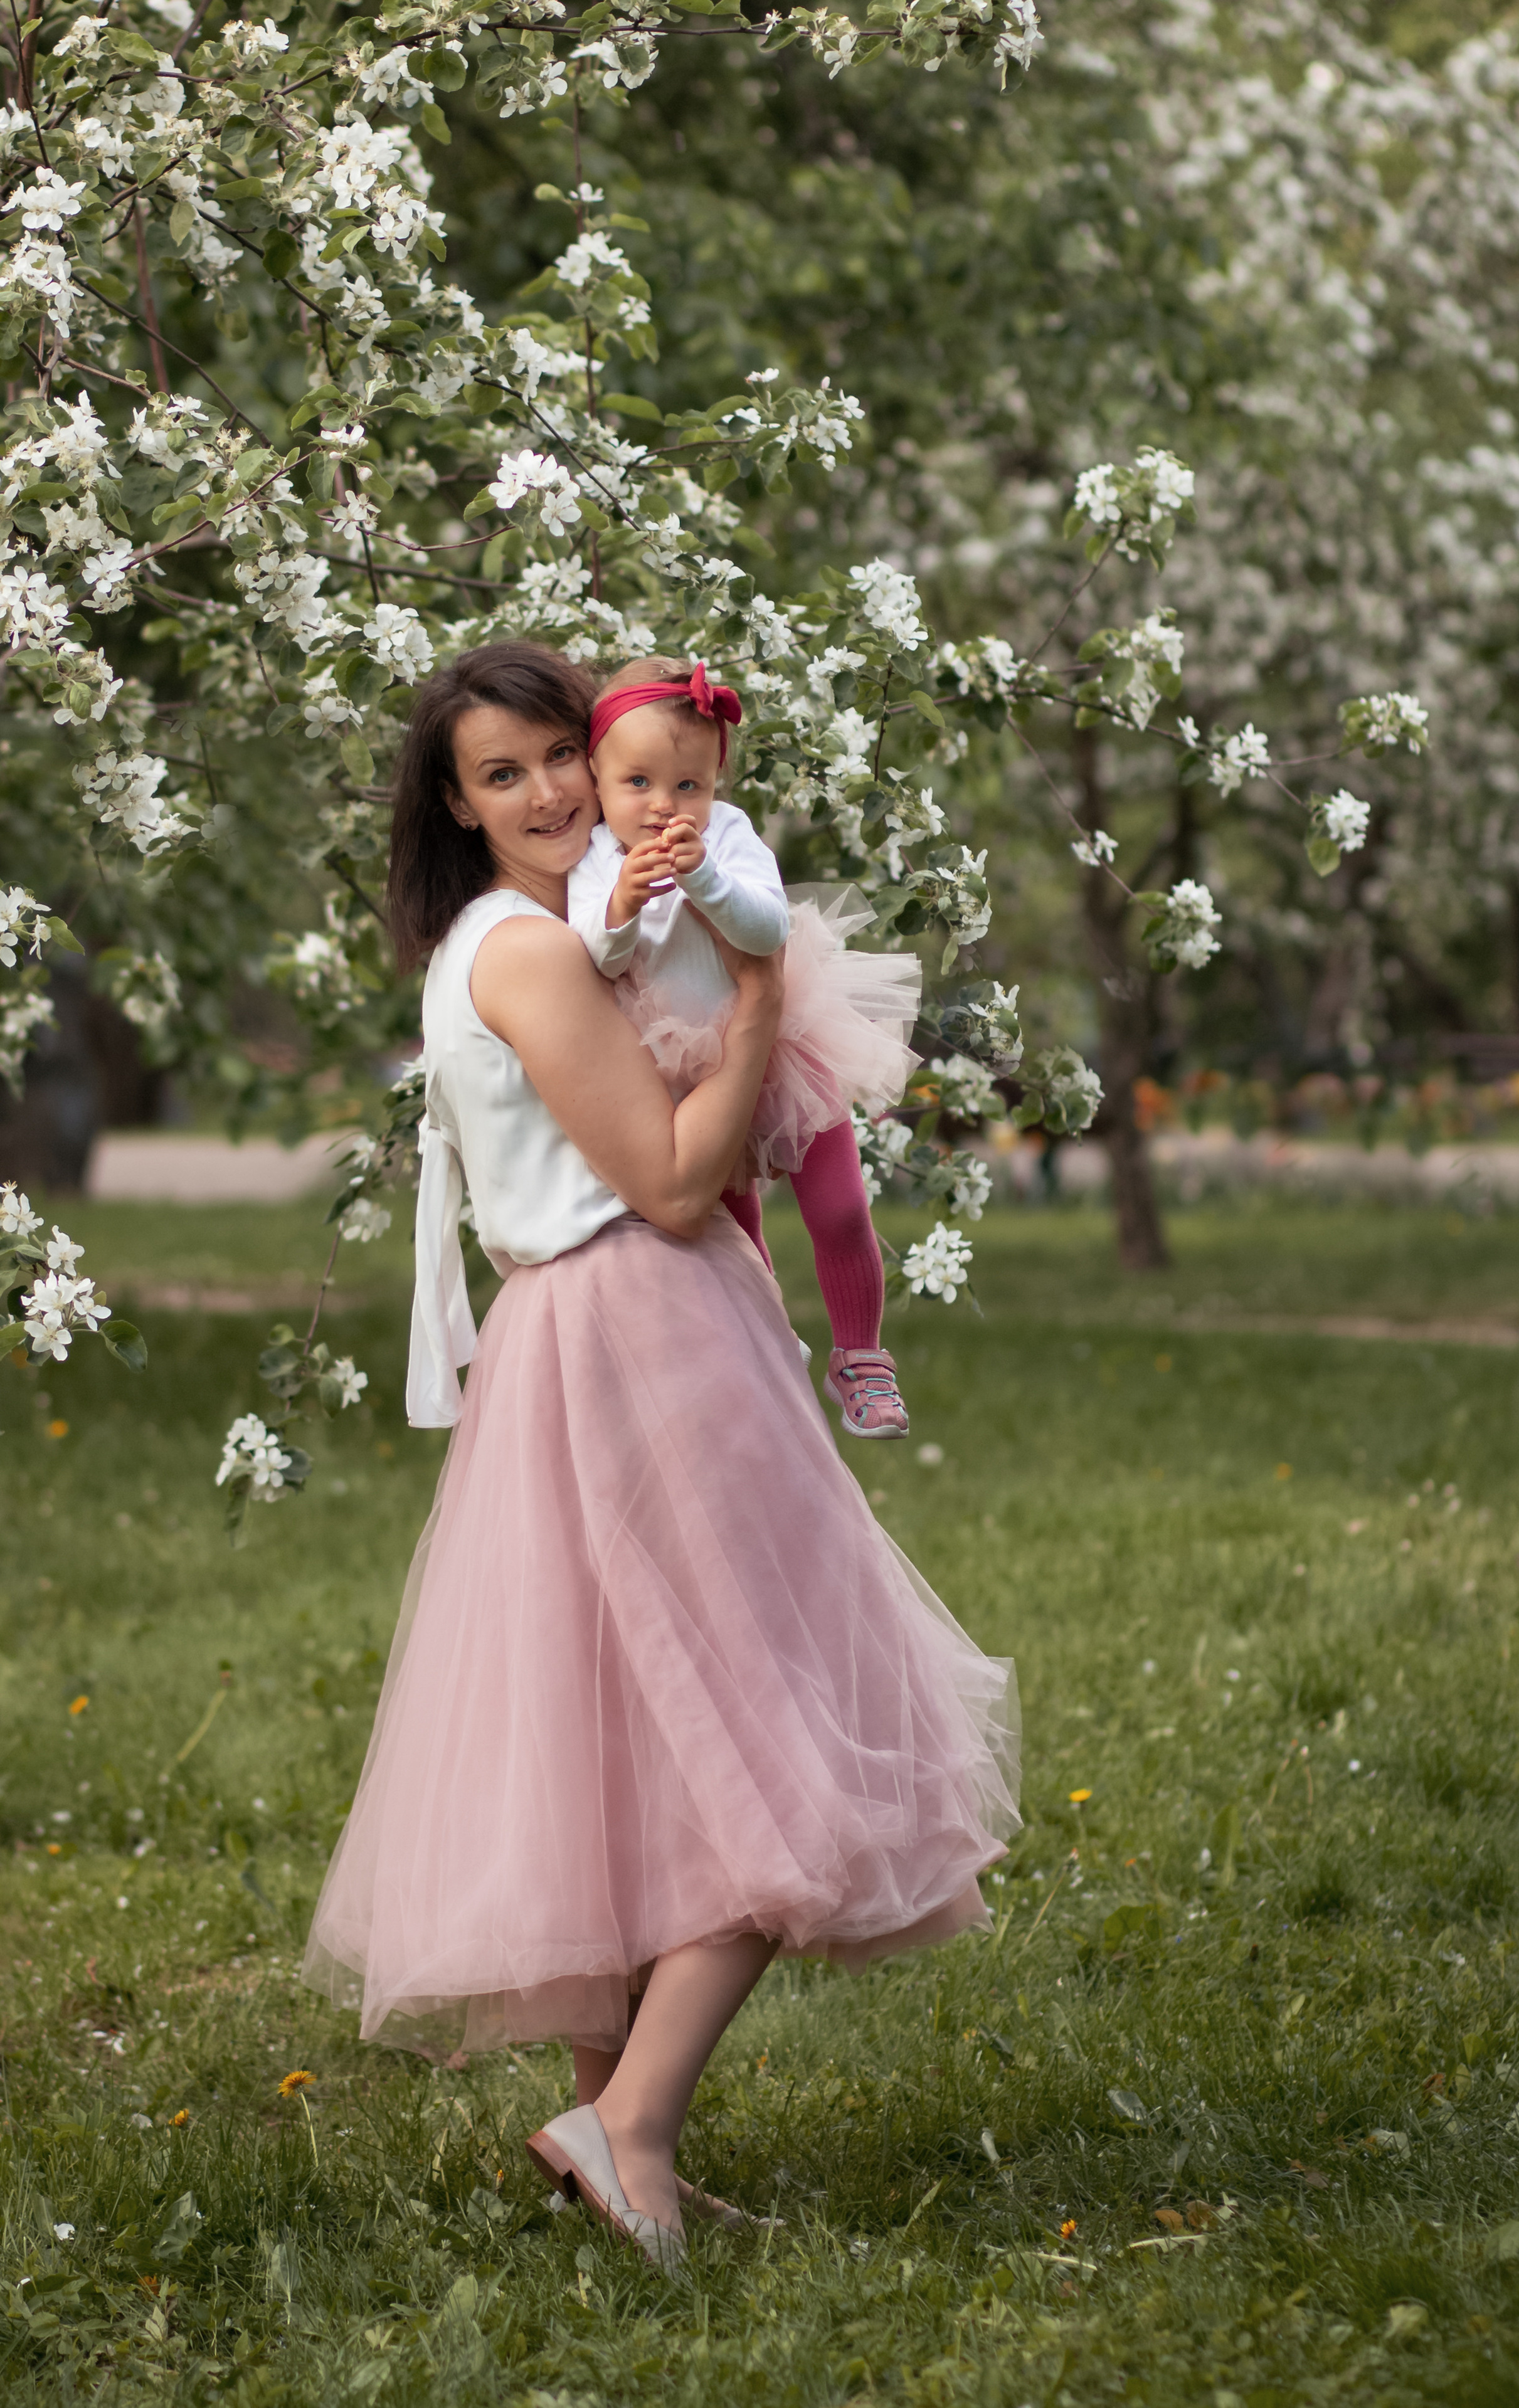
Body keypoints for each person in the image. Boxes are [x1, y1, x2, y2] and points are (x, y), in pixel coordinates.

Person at [301, 640, 1019, 2274]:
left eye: (562, 753)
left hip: (584, 1340)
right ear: (460, 810)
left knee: (630, 1742)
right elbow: (681, 1181)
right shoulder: (535, 959)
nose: (553, 791)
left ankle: (624, 2151)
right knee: (788, 1724)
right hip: (641, 1328)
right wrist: (767, 993)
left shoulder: (541, 935)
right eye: (504, 776)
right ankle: (627, 2124)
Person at [569, 654, 919, 1441]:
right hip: (688, 1078)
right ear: (596, 774)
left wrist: (707, 882)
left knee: (838, 1208)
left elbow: (767, 928)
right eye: (638, 785)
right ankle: (765, 1341)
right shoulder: (594, 861)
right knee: (733, 1231)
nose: (665, 808)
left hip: (787, 1045)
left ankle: (861, 1355)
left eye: (687, 786)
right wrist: (622, 902)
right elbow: (594, 957)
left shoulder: (726, 837)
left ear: (717, 779)